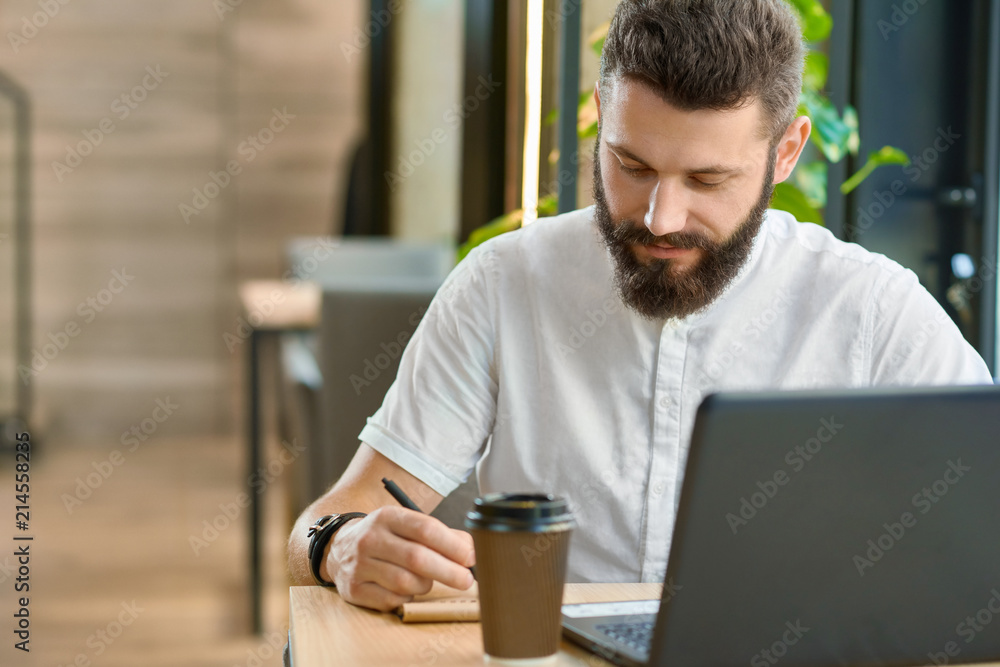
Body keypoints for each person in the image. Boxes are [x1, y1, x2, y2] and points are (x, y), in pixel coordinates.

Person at [286, 0, 993, 612]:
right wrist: (339, 545)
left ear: (787, 152)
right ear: (601, 113)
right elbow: (329, 517)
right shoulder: (505, 282)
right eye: (632, 165)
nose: (659, 217)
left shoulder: (872, 308)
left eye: (707, 179)